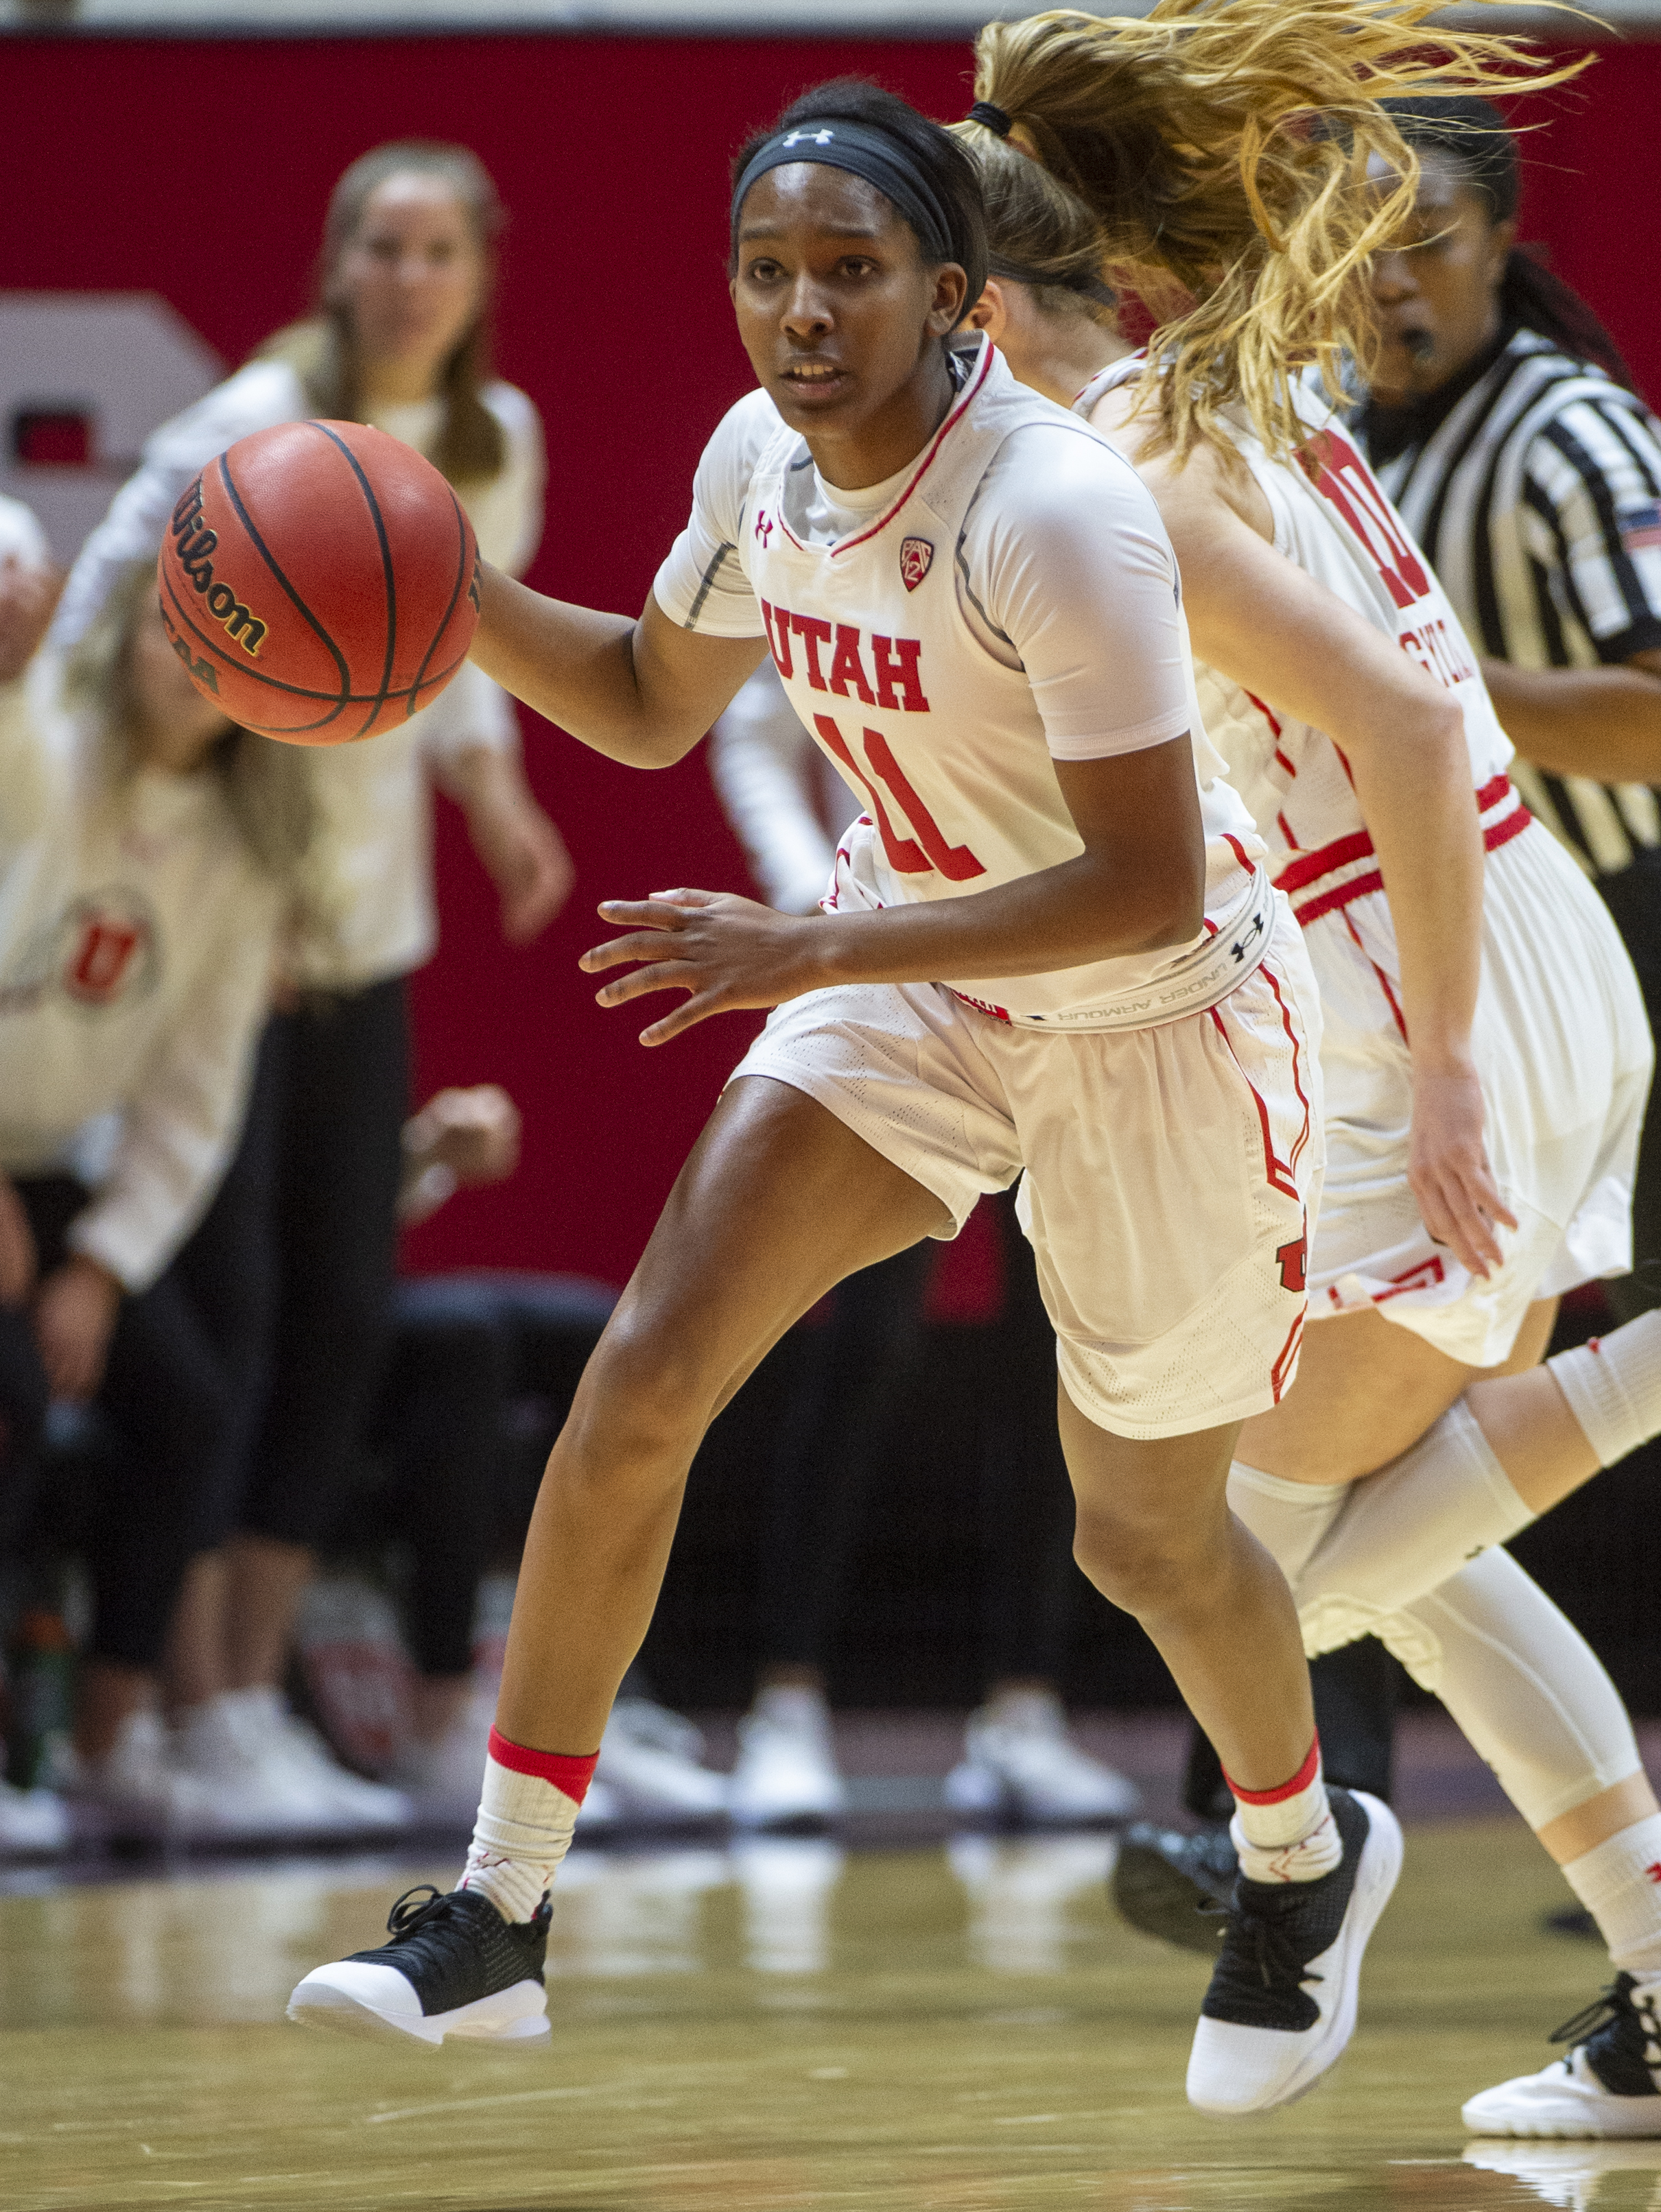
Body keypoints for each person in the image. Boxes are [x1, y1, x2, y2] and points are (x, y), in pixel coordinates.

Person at [286, 81, 1372, 2119]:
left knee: (1143, 1538)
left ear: (953, 296)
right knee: (645, 1373)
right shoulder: (752, 466)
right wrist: (437, 591)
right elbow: (641, 701)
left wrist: (804, 949)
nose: (799, 314)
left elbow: (1141, 878)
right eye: (767, 276)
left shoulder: (1047, 507)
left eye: (848, 274)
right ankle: (499, 1910)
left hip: (1157, 1007)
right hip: (918, 970)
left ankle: (1300, 1861)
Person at [957, 0, 1661, 2139]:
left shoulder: (1146, 450)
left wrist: (1440, 1068)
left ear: (983, 295)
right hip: (1466, 946)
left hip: (1432, 972)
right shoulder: (1222, 372)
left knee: (1231, 1565)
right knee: (1398, 1568)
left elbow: (1414, 732)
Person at [52, 141, 573, 1840]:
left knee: (346, 1317)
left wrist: (493, 797)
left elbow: (457, 659)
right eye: (381, 244)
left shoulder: (493, 449)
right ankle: (192, 1701)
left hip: (374, 928)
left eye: (439, 246)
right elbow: (120, 595)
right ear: (338, 263)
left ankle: (251, 1697)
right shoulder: (257, 423)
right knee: (235, 1317)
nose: (410, 274)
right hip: (239, 917)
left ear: (479, 271)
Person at [711, 667, 1138, 1829]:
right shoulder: (829, 509)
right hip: (893, 982)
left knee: (1049, 1351)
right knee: (862, 1344)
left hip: (1059, 982)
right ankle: (783, 1707)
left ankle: (1024, 1711)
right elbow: (747, 733)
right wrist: (820, 903)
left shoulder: (1067, 511)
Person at [0, 551, 318, 1840]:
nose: (187, 655)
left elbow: (193, 1102)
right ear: (122, 633)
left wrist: (101, 1265)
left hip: (51, 1177)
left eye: (222, 638)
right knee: (13, 1397)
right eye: (165, 625)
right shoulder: (45, 747)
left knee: (186, 1403)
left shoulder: (243, 858)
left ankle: (106, 1742)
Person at [1359, 95, 1661, 1323]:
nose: (1383, 276)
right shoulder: (1319, 423)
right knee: (1468, 1313)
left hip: (1616, 925)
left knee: (1614, 1313)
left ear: (1497, 239)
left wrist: (1421, 692)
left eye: (1423, 236)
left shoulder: (1572, 435)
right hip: (1430, 948)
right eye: (1353, 237)